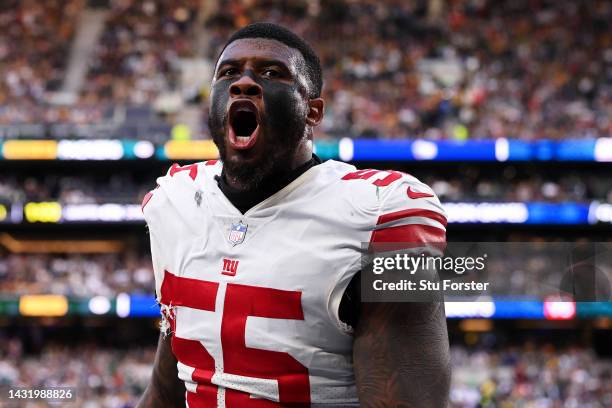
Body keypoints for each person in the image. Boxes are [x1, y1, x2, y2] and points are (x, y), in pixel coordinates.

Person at [138, 22, 450, 407]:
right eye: (229, 73)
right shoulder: (177, 201)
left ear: (312, 112)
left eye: (272, 73)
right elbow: (168, 387)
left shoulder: (380, 213)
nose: (245, 83)